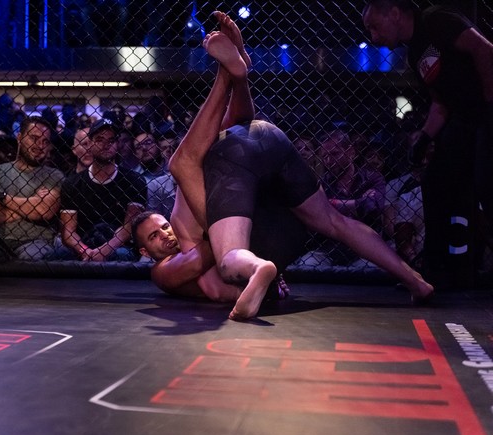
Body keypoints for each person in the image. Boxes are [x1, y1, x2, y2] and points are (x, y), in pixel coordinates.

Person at [133, 12, 433, 321]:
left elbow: (232, 130)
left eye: (162, 227)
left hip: (262, 197)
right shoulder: (163, 272)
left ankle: (414, 280)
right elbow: (208, 279)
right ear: (144, 253)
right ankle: (234, 73)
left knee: (221, 231)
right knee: (333, 222)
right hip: (273, 171)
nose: (165, 234)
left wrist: (235, 251)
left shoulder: (186, 220)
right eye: (154, 237)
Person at [363, 0, 493, 288]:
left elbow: (485, 50)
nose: (373, 37)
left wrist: (490, 104)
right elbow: (440, 104)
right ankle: (436, 269)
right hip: (465, 118)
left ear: (394, 13)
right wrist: (424, 137)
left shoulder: (437, 20)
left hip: (485, 109)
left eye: (375, 27)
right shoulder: (415, 53)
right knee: (435, 179)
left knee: (486, 183)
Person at [297, 129, 387, 268]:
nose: (329, 161)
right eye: (325, 156)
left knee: (371, 268)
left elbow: (373, 207)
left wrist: (331, 204)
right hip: (327, 249)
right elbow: (318, 215)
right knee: (307, 265)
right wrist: (359, 203)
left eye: (334, 154)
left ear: (351, 152)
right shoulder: (321, 184)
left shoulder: (372, 178)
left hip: (365, 248)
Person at [60, 118, 147, 262]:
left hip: (118, 246)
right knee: (60, 253)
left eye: (111, 140)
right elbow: (68, 232)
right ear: (90, 143)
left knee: (121, 255)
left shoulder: (134, 180)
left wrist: (104, 250)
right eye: (100, 140)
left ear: (117, 144)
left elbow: (129, 227)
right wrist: (85, 250)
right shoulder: (72, 183)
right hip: (85, 243)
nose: (106, 145)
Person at [0, 116, 67, 261]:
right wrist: (32, 203)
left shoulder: (55, 175)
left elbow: (44, 211)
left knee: (32, 256)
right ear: (19, 138)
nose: (40, 145)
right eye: (34, 138)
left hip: (36, 241)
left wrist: (2, 197)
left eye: (45, 141)